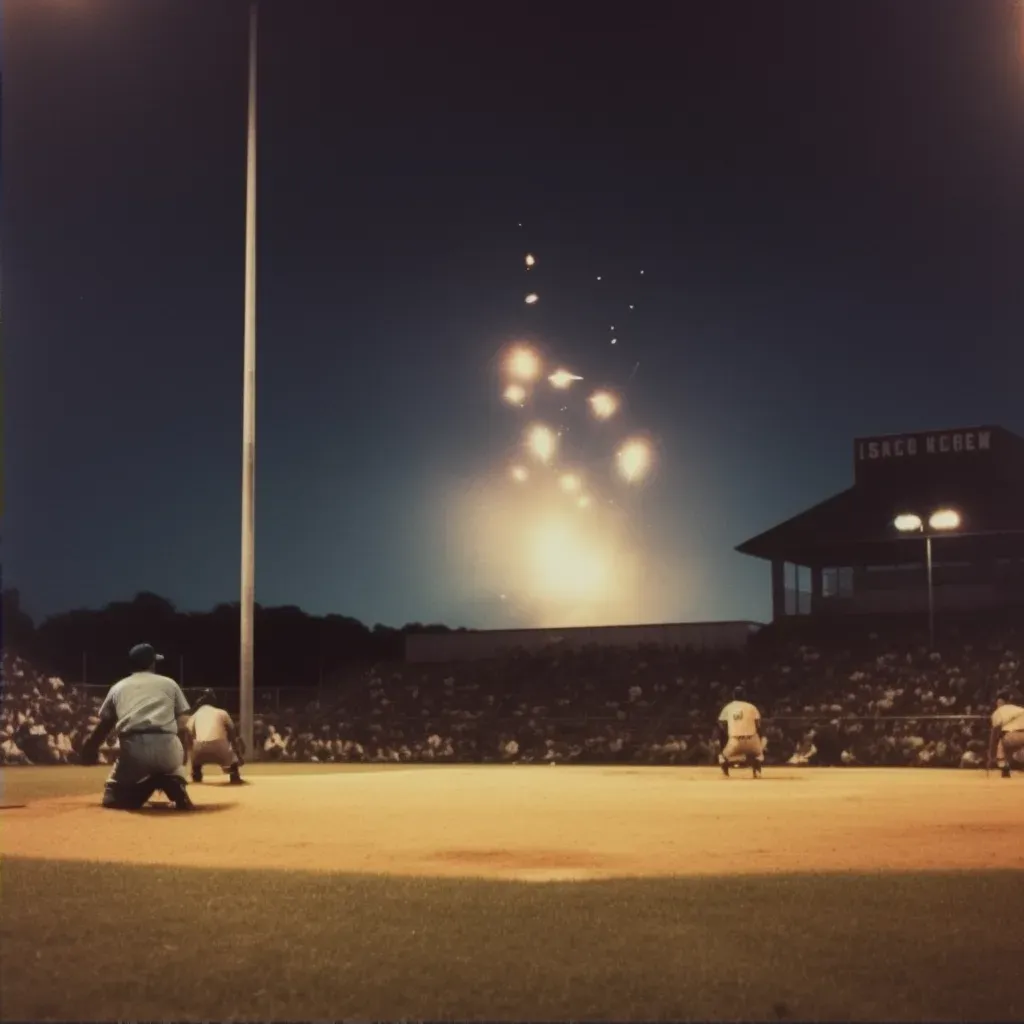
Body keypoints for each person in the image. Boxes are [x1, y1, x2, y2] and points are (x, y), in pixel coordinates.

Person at [79, 644, 195, 810]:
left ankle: (147, 785)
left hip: (134, 748)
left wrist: (90, 747)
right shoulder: (170, 684)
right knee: (172, 769)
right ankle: (173, 780)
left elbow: (106, 724)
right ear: (152, 664)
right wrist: (182, 757)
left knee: (111, 799)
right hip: (168, 746)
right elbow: (182, 723)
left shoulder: (118, 687)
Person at [185, 689, 246, 785]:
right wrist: (237, 755)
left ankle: (196, 773)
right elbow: (232, 734)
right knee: (233, 744)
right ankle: (234, 774)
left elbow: (188, 735)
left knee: (195, 747)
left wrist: (191, 757)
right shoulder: (222, 712)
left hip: (199, 750)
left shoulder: (195, 715)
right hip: (220, 747)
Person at [717, 685, 763, 778]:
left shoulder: (728, 707)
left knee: (722, 757)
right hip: (752, 740)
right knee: (759, 755)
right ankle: (757, 771)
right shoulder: (752, 707)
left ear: (733, 695)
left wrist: (728, 732)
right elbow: (758, 724)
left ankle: (725, 774)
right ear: (745, 696)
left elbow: (721, 722)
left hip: (735, 741)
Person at [988, 690, 1024, 779]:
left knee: (1002, 742)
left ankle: (1004, 766)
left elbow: (994, 734)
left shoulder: (998, 712)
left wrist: (991, 757)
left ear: (1000, 702)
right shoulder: (1019, 709)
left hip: (1012, 735)